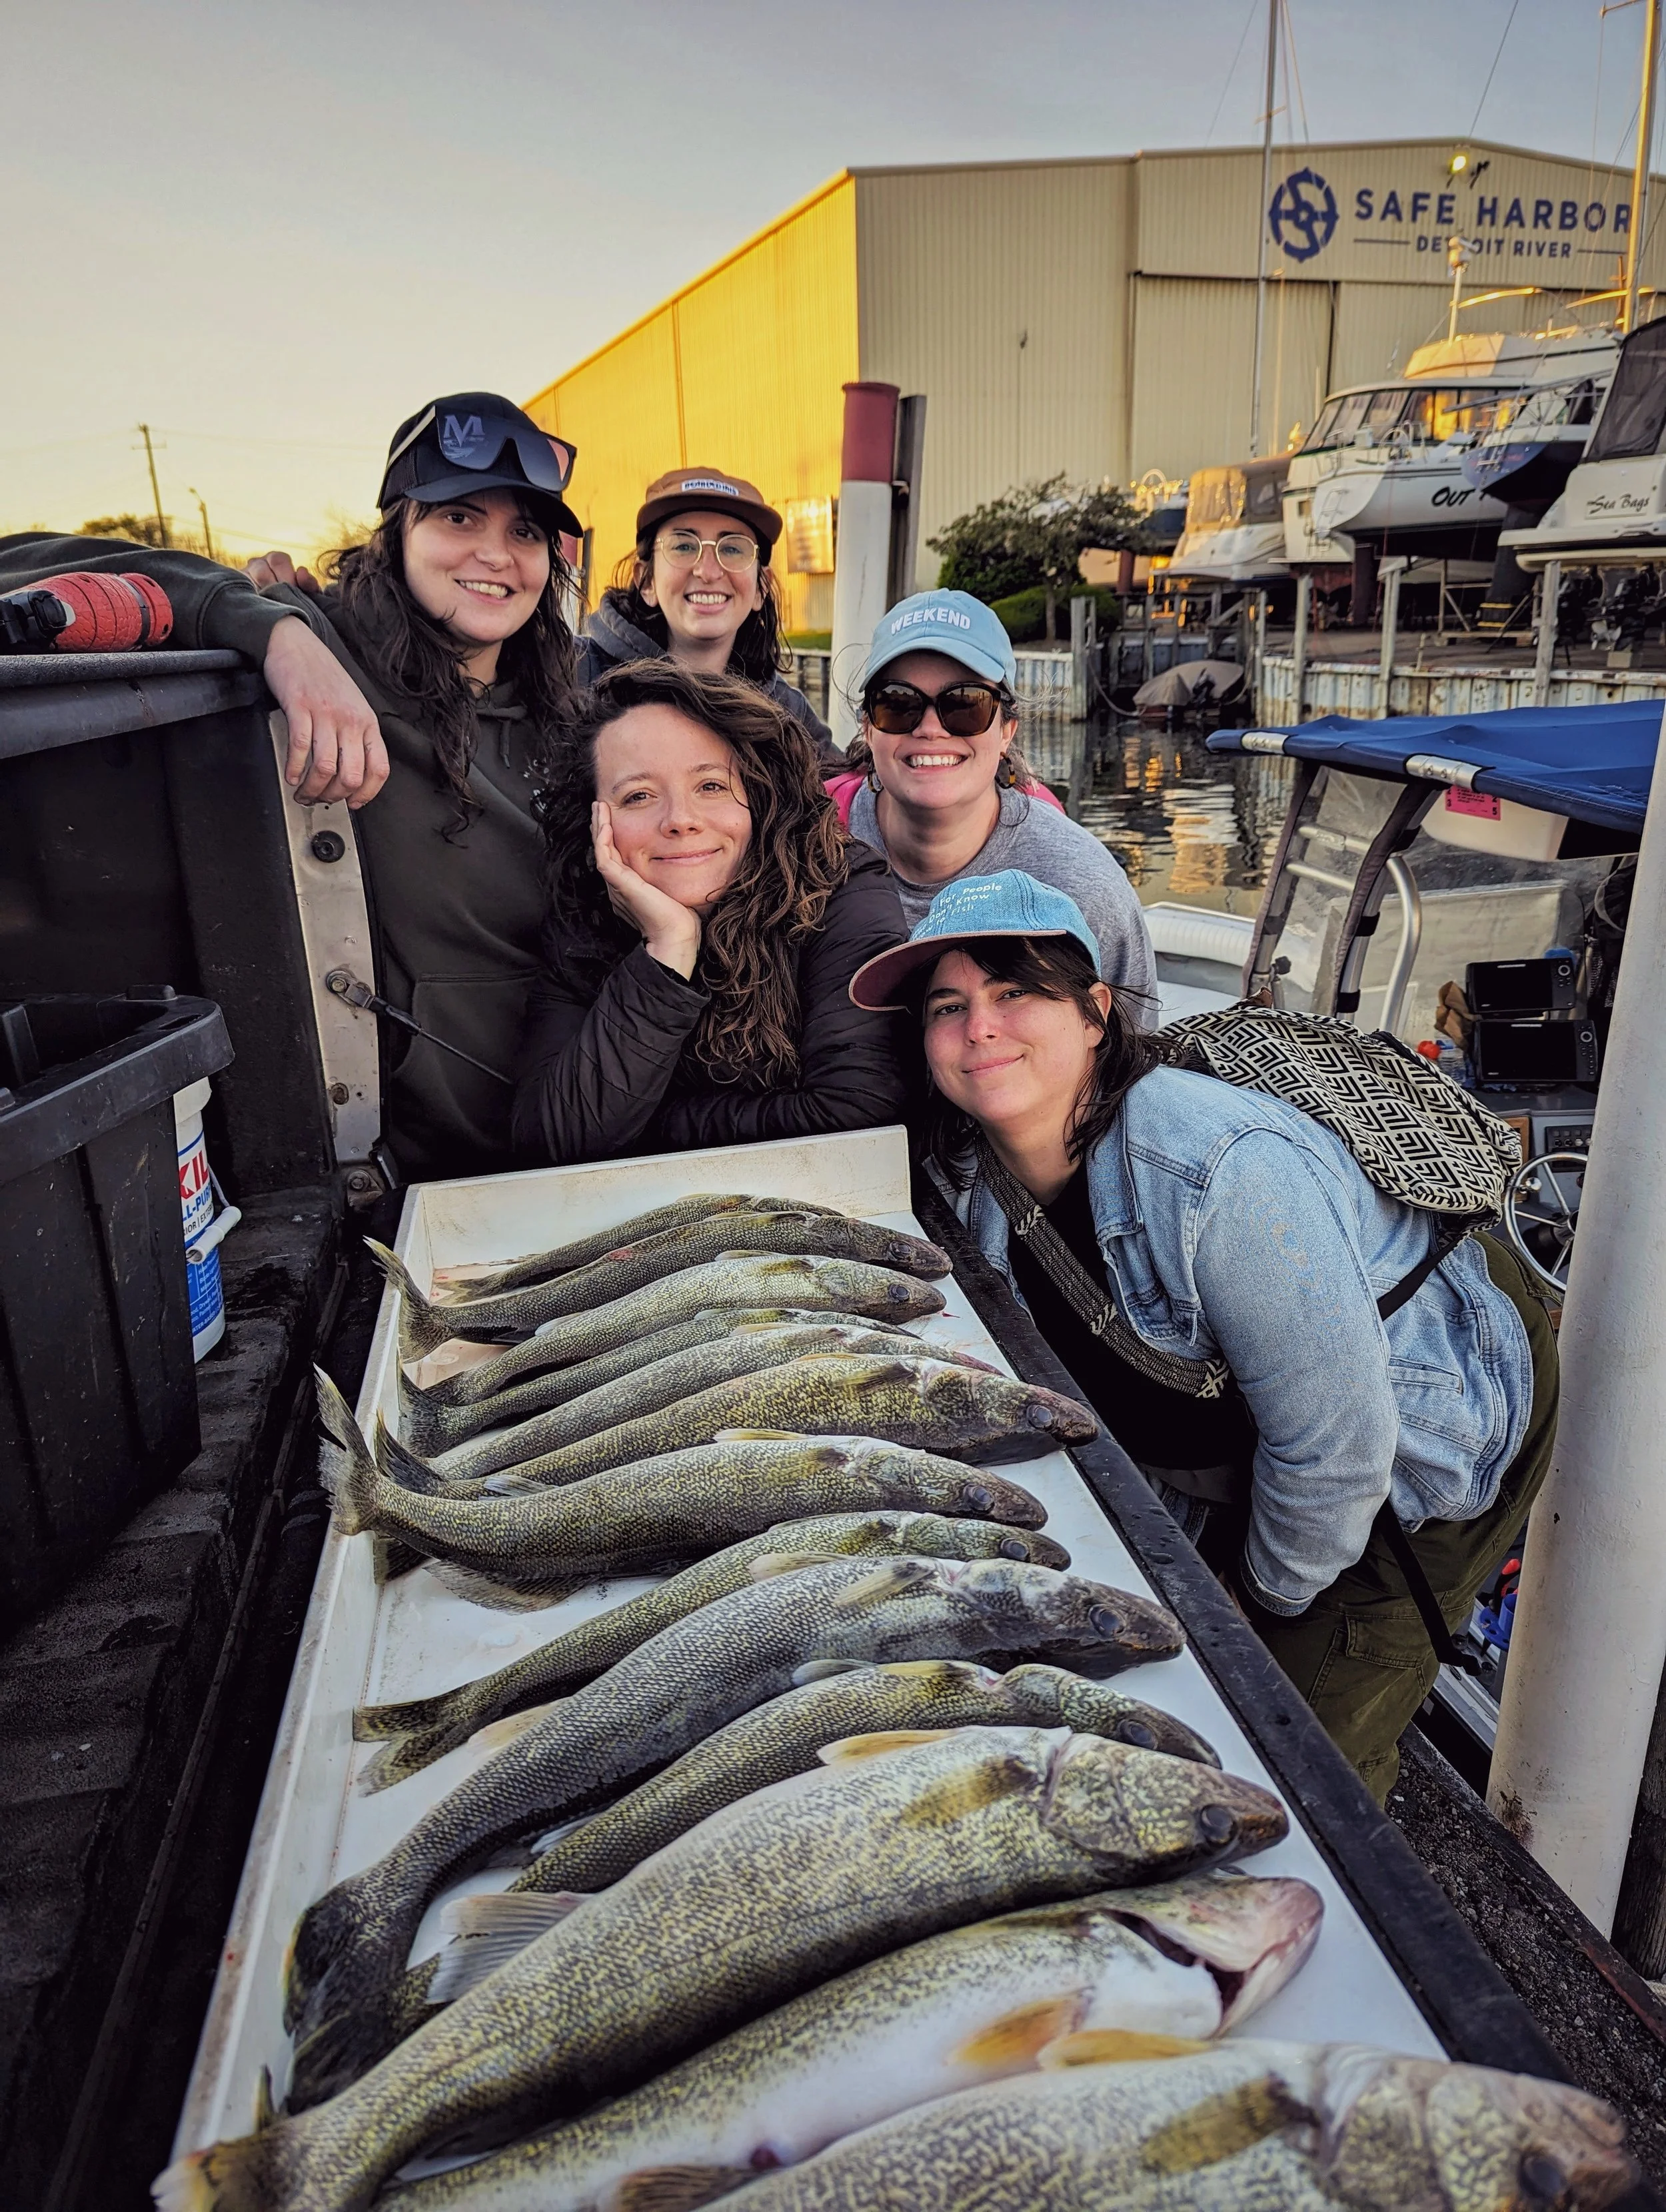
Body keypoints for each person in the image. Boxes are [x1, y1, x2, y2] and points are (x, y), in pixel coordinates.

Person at [850, 871, 1557, 1800]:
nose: (980, 1027)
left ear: (1096, 1013)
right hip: (1246, 1434)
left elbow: (1340, 1449)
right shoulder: (976, 1179)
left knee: (1296, 1752)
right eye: (949, 1006)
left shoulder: (1220, 1168)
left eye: (1014, 991)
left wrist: (1255, 1600)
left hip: (1426, 1415)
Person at [0, 394, 584, 1180]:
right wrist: (273, 631)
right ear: (398, 530)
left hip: (567, 1124)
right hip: (415, 1159)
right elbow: (19, 563)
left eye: (526, 531)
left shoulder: (572, 707)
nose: (495, 553)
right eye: (458, 518)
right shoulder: (327, 637)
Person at [514, 660, 908, 1165]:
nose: (680, 820)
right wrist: (667, 951)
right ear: (594, 819)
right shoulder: (582, 918)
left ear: (758, 796)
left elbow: (861, 1115)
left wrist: (646, 1125)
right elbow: (551, 1144)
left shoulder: (842, 887)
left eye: (711, 786)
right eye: (639, 796)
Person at [842, 590, 1158, 1022]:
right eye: (899, 703)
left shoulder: (1082, 885)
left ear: (1007, 730)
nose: (931, 729)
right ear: (868, 729)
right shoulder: (809, 853)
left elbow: (1130, 1054)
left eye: (966, 704)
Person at [576, 466, 834, 759]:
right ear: (646, 580)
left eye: (733, 549)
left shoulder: (788, 717)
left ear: (762, 587)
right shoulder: (578, 674)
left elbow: (849, 791)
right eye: (684, 546)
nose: (708, 571)